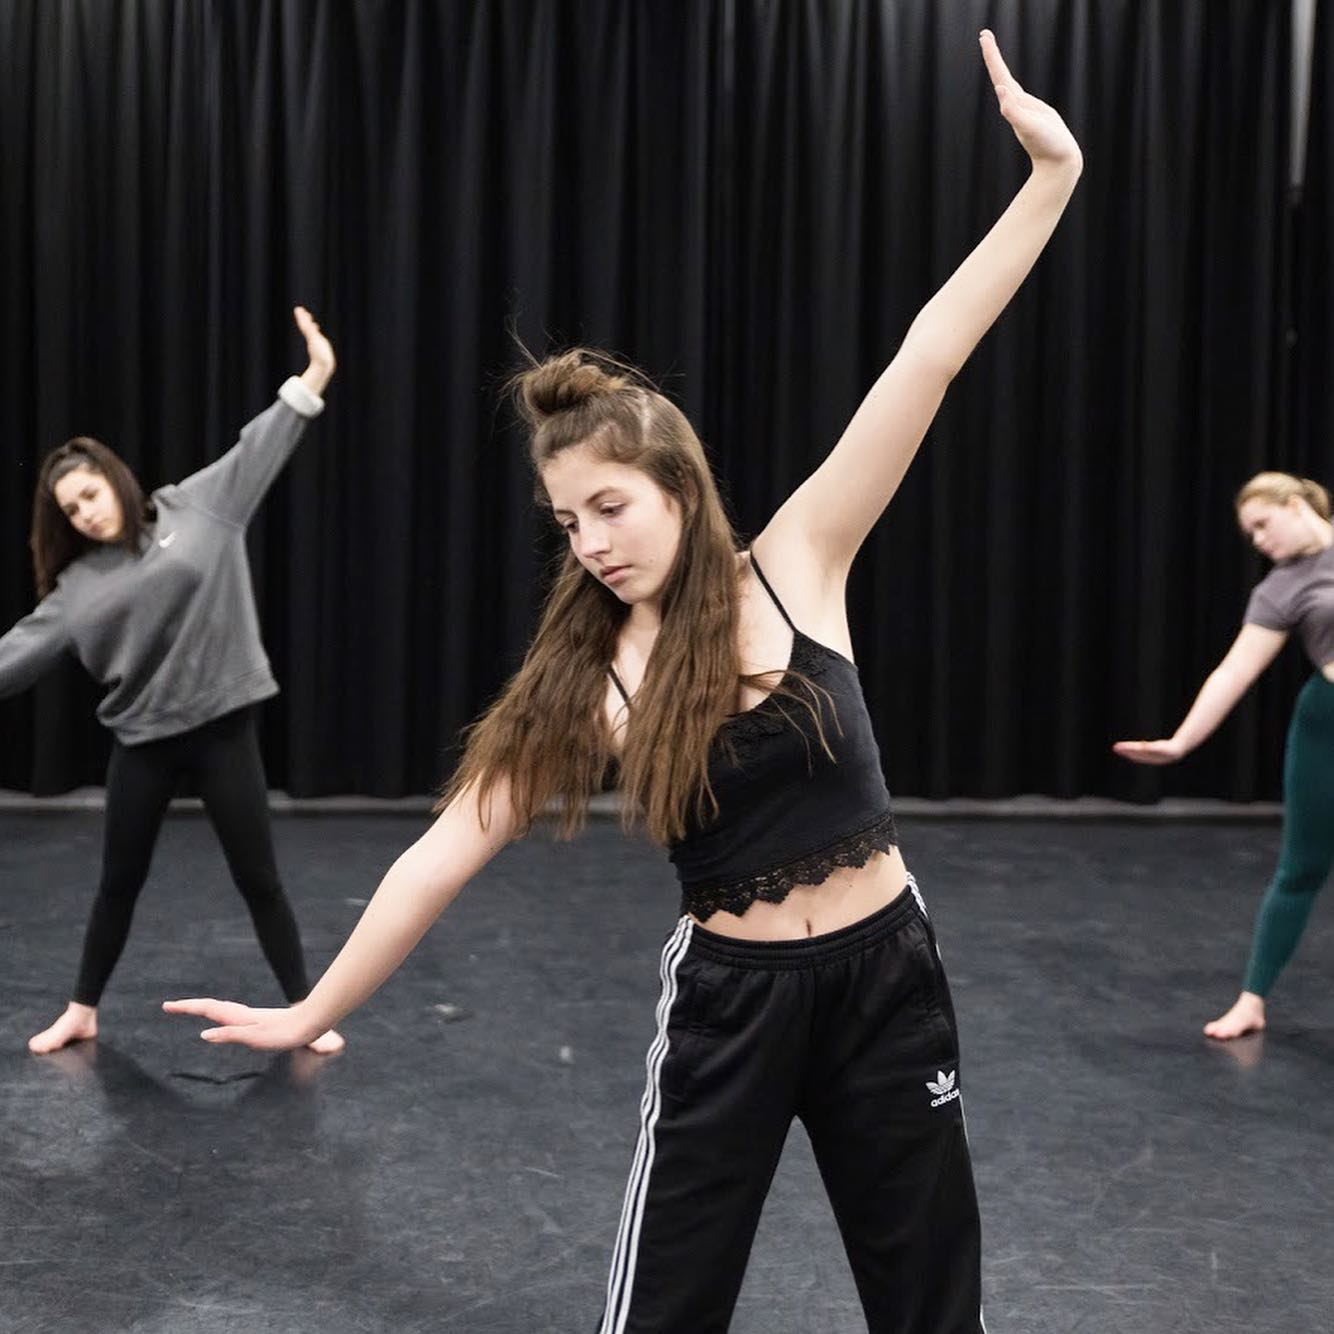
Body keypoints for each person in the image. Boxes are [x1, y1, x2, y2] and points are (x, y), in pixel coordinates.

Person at [165, 33, 1081, 1333]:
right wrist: (310, 1006)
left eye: (608, 503)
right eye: (567, 519)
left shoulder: (798, 562)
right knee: (662, 1311)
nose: (590, 538)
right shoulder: (587, 682)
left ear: (675, 485)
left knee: (931, 1302)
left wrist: (1049, 173)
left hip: (887, 978)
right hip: (730, 1007)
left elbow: (925, 356)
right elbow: (436, 856)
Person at [1, 306, 344, 1057]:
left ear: (114, 480)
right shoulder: (76, 589)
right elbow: (14, 657)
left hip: (224, 732)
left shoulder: (200, 507)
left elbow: (262, 444)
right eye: (69, 509)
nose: (84, 514)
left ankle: (308, 1012)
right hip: (145, 744)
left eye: (89, 495)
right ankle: (82, 1010)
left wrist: (314, 373)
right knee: (118, 882)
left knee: (260, 879)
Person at [1116, 471, 1334, 1040]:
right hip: (1325, 727)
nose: (1259, 541)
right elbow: (1234, 670)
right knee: (1301, 868)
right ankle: (1251, 1000)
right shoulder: (1279, 590)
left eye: (1262, 525)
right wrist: (1182, 741)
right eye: (1250, 534)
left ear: (1294, 505)